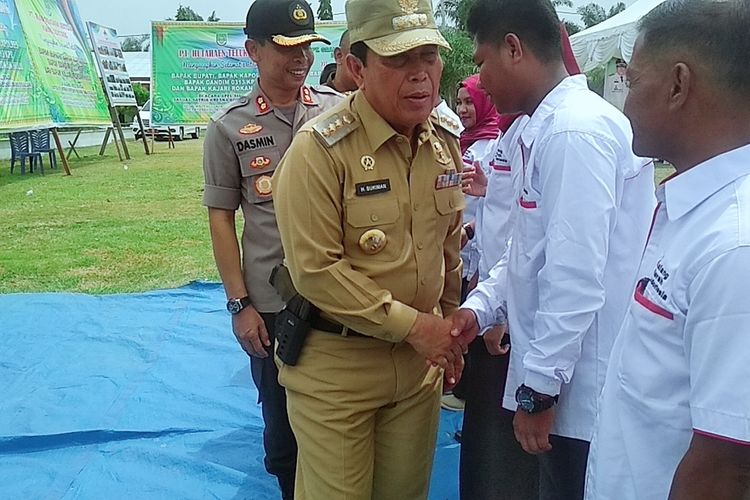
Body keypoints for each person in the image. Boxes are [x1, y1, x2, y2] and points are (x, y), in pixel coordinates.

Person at [449, 0, 656, 498]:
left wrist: (539, 388)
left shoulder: (573, 132)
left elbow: (575, 274)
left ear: (514, 49)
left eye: (480, 63)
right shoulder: (541, 128)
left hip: (579, 384)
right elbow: (526, 249)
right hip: (562, 370)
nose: (480, 81)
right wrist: (478, 309)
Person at [271, 0, 468, 496]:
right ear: (356, 68)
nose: (421, 75)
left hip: (417, 367)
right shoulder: (319, 151)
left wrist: (445, 329)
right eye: (399, 59)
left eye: (429, 55)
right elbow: (316, 270)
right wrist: (418, 327)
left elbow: (448, 249)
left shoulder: (444, 142)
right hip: (338, 368)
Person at [585, 1, 750, 499]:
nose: (626, 103)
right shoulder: (694, 210)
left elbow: (728, 466)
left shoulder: (733, 245)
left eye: (632, 82)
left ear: (679, 85)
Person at [201, 0, 342, 498]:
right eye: (286, 47)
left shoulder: (336, 110)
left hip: (338, 297)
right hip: (273, 304)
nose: (300, 57)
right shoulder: (228, 128)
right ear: (253, 51)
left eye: (306, 46)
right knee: (282, 433)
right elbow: (221, 217)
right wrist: (240, 305)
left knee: (337, 423)